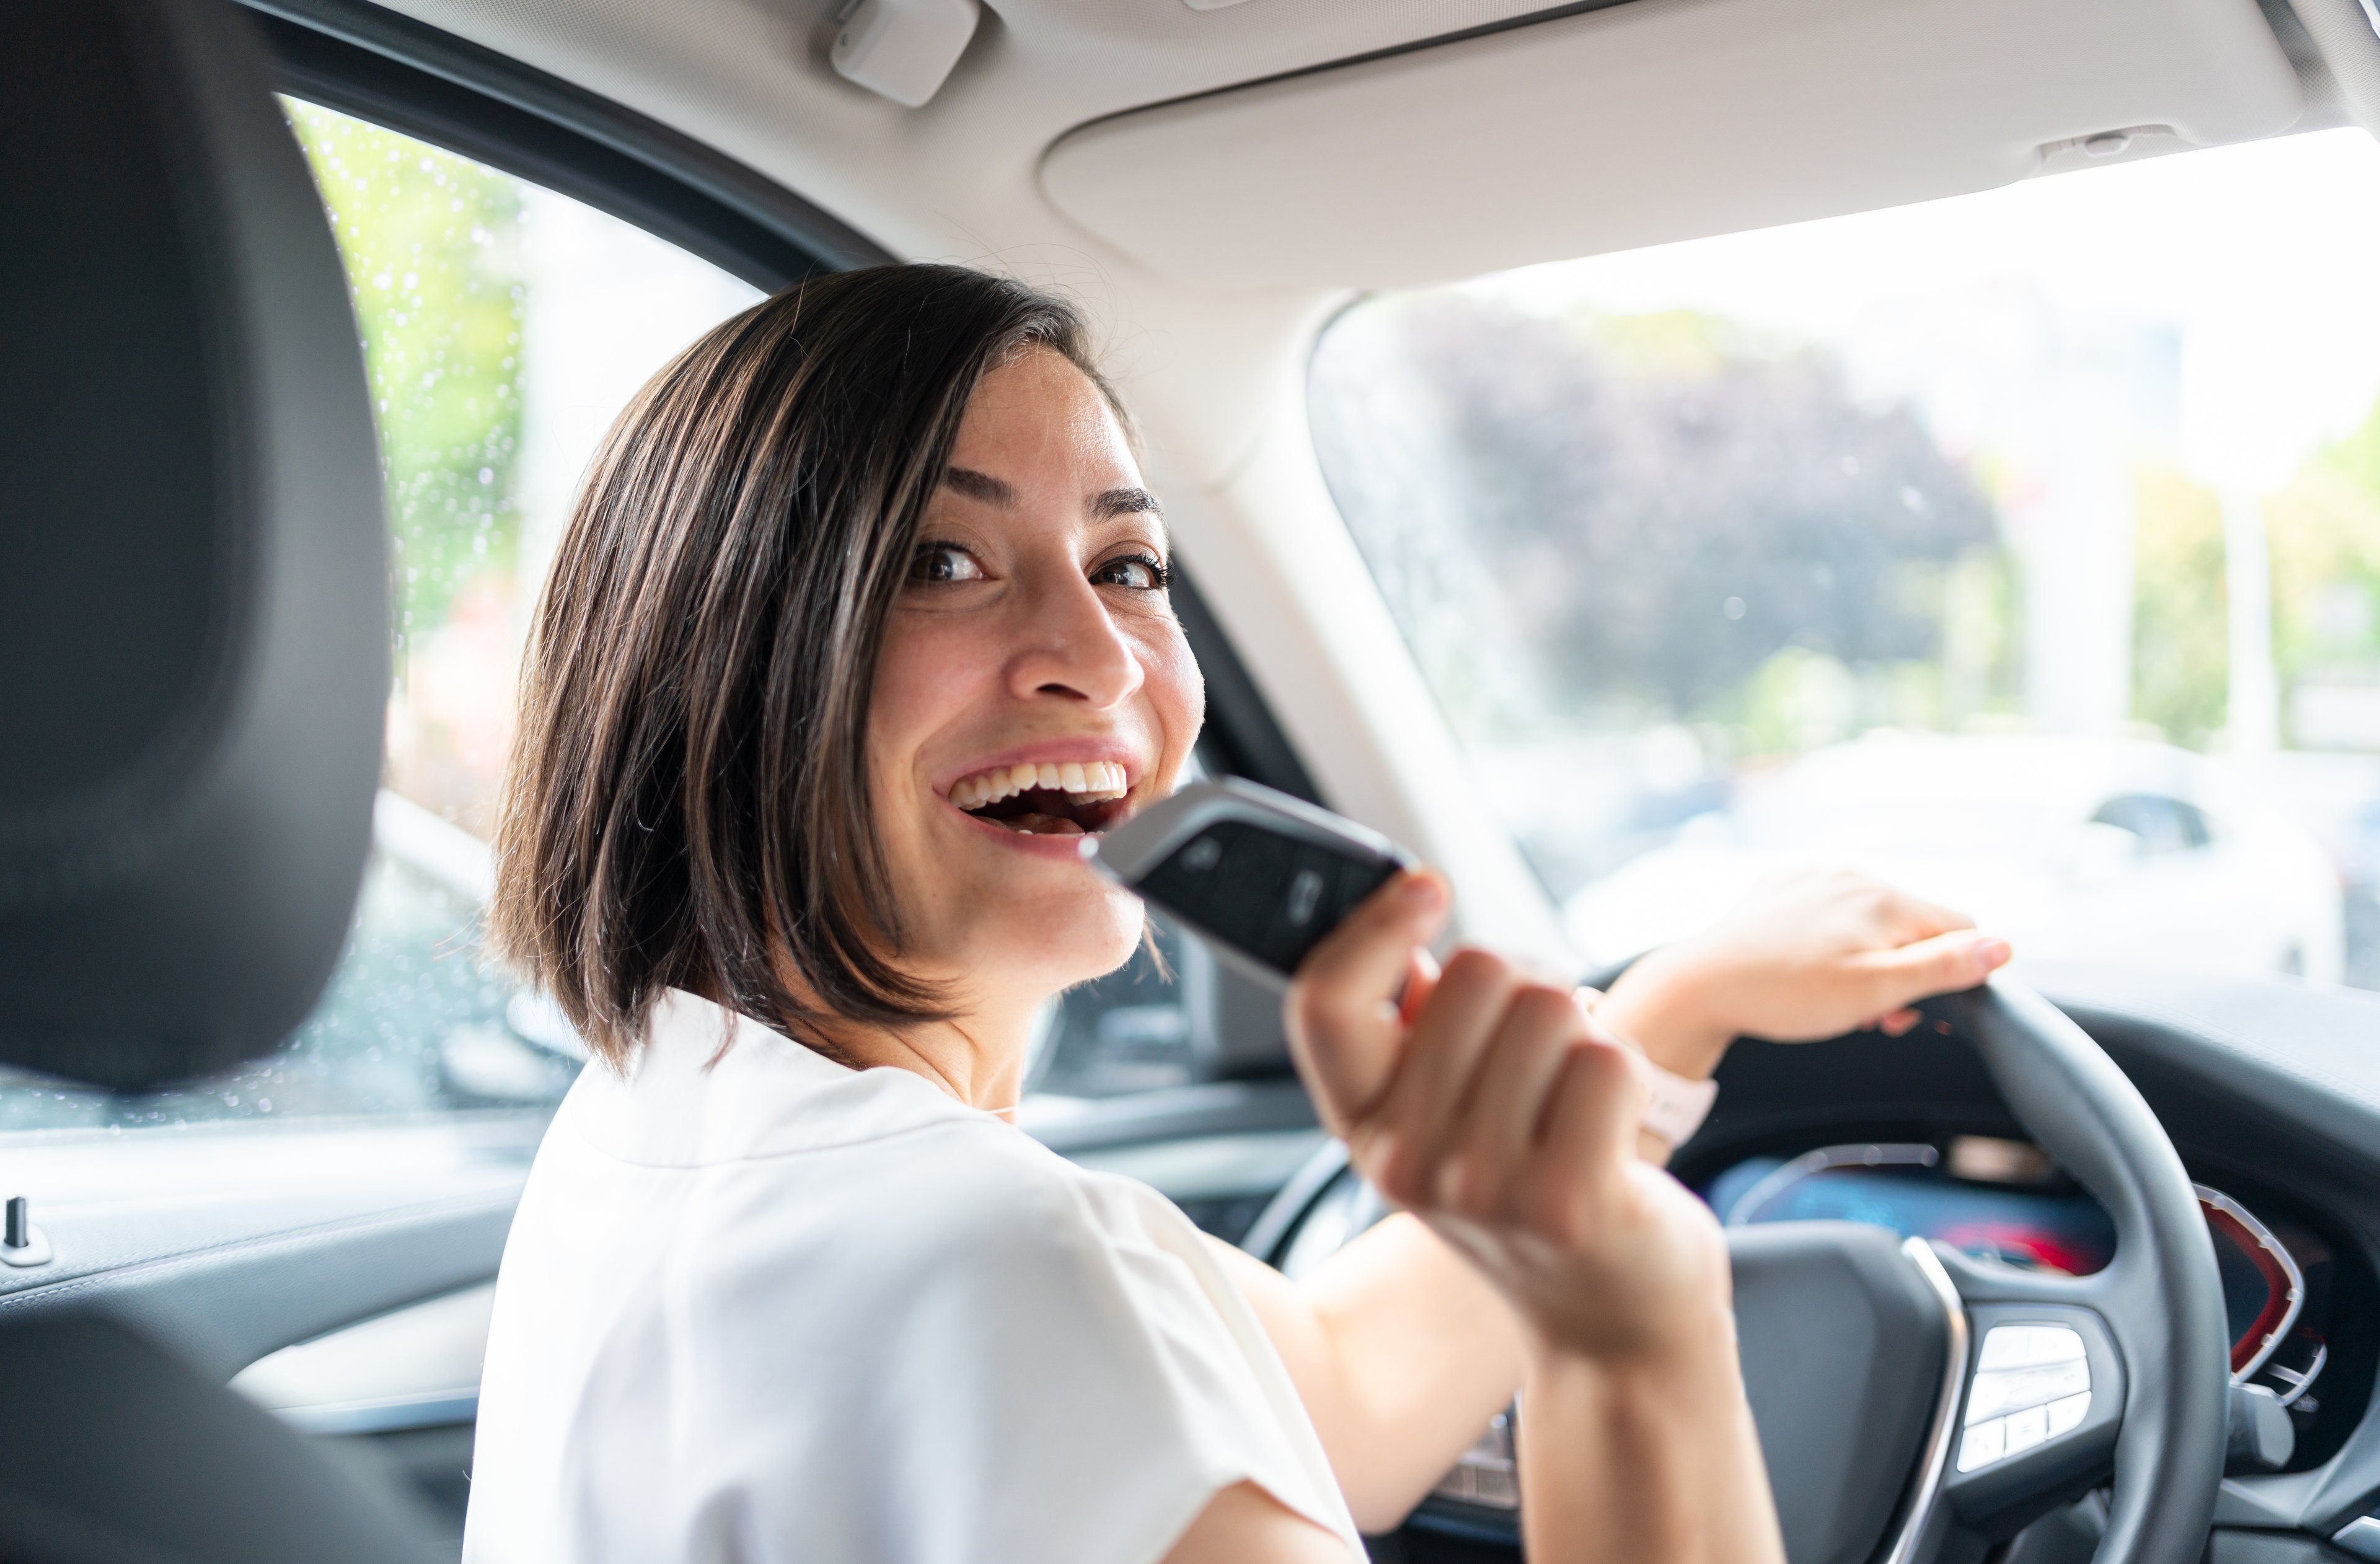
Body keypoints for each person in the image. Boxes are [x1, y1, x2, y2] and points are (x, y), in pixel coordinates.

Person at [462, 263, 2012, 1564]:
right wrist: (1633, 1330)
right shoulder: (999, 1259)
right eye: (945, 560)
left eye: (1128, 562)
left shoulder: (661, 1126)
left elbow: (1338, 1382)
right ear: (716, 665)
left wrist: (1668, 1014)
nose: (1098, 652)